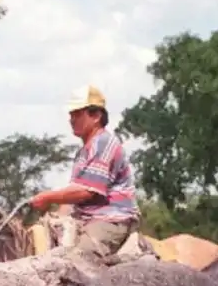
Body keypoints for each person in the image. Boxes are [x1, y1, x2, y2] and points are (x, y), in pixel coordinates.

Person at [29, 85, 141, 261]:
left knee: (78, 260)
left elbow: (87, 191)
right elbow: (74, 195)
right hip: (85, 217)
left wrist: (48, 197)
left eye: (77, 114)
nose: (71, 120)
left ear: (96, 116)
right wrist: (57, 214)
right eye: (71, 115)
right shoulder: (83, 151)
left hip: (109, 219)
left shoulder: (103, 143)